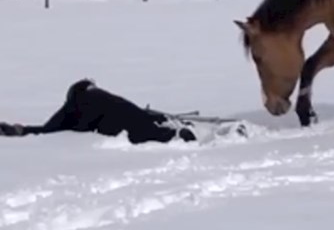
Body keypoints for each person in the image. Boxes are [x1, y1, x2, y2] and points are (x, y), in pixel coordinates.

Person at [0, 78, 244, 144]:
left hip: (124, 119)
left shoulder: (75, 105)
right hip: (133, 119)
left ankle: (188, 135)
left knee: (147, 127)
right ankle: (202, 134)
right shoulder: (94, 99)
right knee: (152, 126)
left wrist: (22, 131)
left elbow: (50, 129)